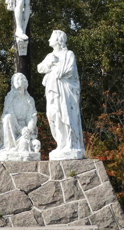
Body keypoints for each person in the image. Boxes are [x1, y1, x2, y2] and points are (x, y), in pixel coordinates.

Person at [37, 30, 84, 160]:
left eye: (51, 38)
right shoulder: (49, 56)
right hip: (52, 90)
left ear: (58, 40)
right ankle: (61, 143)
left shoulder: (68, 54)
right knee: (53, 114)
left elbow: (68, 70)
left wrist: (55, 69)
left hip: (65, 91)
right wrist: (49, 63)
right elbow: (40, 68)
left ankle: (69, 145)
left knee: (66, 115)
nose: (48, 40)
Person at [0, 73, 40, 160]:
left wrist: (29, 129)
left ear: (25, 83)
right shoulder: (10, 97)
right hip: (12, 126)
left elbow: (32, 116)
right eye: (15, 80)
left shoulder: (29, 100)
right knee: (7, 117)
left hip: (25, 127)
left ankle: (24, 146)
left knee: (25, 144)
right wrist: (20, 129)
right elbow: (10, 113)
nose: (16, 81)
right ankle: (8, 147)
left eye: (19, 79)